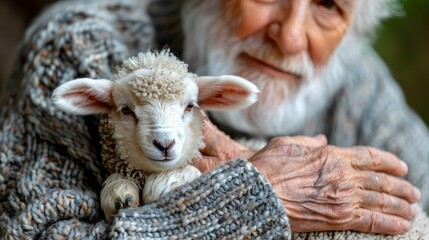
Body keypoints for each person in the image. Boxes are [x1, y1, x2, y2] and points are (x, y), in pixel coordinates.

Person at [0, 0, 428, 239]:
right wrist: (253, 198)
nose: (292, 37)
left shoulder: (356, 83)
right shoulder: (79, 49)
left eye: (328, 5)